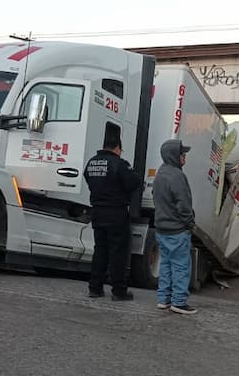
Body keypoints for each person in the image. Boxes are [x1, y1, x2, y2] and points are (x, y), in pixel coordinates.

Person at [84, 134, 143, 301]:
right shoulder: (119, 164)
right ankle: (118, 291)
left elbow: (88, 179)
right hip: (116, 213)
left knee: (100, 250)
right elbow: (133, 182)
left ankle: (95, 288)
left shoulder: (92, 162)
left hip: (97, 211)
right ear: (117, 148)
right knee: (118, 252)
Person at [152, 139, 198, 315]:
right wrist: (190, 223)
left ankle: (163, 299)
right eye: (182, 154)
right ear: (174, 156)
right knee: (180, 266)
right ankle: (179, 302)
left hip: (161, 228)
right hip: (177, 229)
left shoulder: (160, 173)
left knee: (166, 265)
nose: (184, 157)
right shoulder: (177, 176)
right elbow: (183, 205)